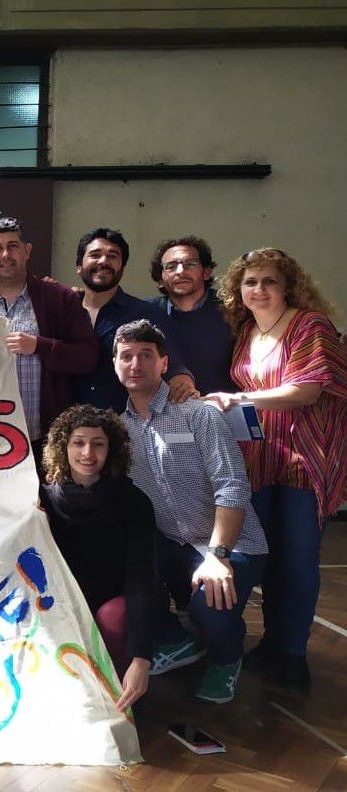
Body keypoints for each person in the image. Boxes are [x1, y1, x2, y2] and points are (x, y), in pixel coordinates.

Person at [205, 248, 347, 693]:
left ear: (288, 286)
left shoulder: (310, 325)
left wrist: (240, 400)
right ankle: (270, 644)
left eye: (269, 281)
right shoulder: (246, 331)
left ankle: (292, 653)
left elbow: (306, 391)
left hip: (306, 455)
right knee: (264, 555)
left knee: (299, 556)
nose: (259, 289)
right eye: (250, 282)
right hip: (261, 455)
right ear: (238, 291)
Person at [115, 319, 266, 704]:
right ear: (115, 364)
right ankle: (179, 641)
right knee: (119, 567)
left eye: (146, 356)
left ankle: (226, 658)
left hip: (230, 543)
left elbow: (232, 485)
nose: (135, 364)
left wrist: (217, 557)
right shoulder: (117, 429)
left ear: (164, 363)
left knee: (210, 607)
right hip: (170, 541)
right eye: (126, 356)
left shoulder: (199, 414)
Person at [40, 404, 156, 712]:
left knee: (114, 620)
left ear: (111, 449)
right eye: (78, 442)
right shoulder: (40, 501)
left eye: (98, 443)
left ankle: (117, 698)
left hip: (111, 600)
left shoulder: (135, 503)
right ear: (63, 447)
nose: (87, 452)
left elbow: (142, 580)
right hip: (61, 600)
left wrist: (141, 658)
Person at [0, 217, 98, 455]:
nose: (6, 254)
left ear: (27, 251)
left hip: (48, 439)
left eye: (13, 246)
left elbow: (87, 357)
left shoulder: (60, 298)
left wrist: (40, 346)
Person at [72, 227, 196, 412]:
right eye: (95, 255)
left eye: (113, 256)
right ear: (79, 265)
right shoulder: (62, 310)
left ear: (122, 268)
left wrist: (182, 381)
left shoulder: (146, 314)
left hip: (126, 428)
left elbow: (171, 364)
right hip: (68, 429)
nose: (104, 261)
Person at [146, 236, 236, 395]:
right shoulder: (146, 313)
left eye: (190, 264)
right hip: (168, 414)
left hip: (224, 409)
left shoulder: (233, 308)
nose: (180, 272)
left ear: (206, 272)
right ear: (160, 279)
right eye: (171, 266)